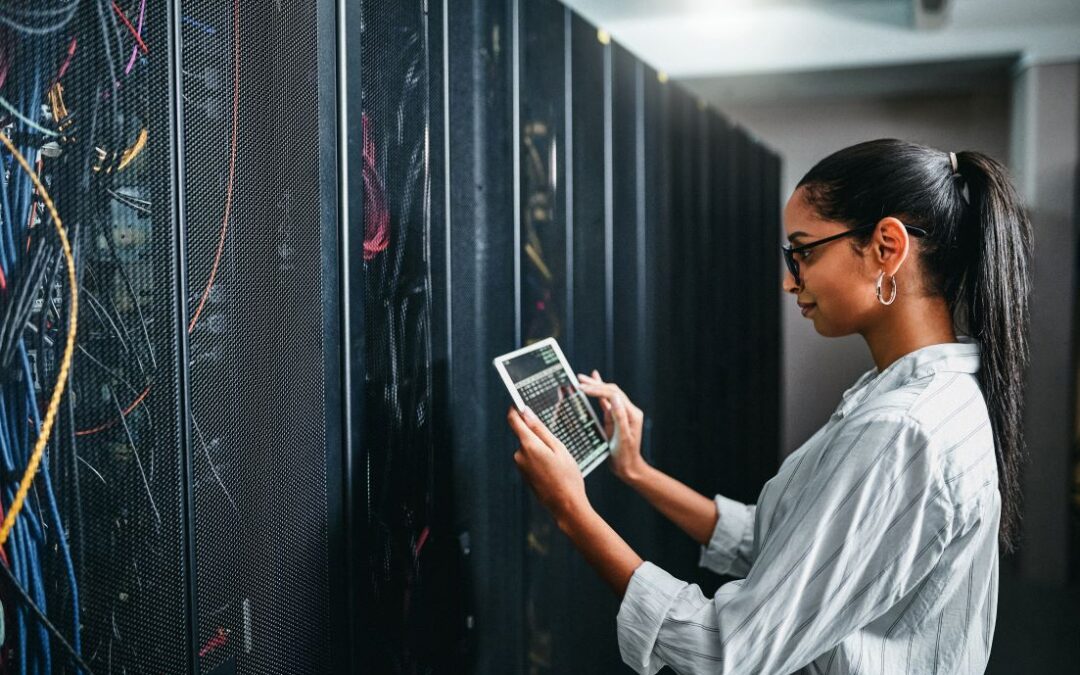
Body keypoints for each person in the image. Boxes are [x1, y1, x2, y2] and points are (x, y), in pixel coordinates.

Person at [506, 139, 1032, 674]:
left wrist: (571, 511)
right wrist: (636, 471)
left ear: (886, 248)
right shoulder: (929, 397)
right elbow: (788, 547)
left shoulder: (901, 429)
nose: (789, 280)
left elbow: (727, 650)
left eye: (804, 252)